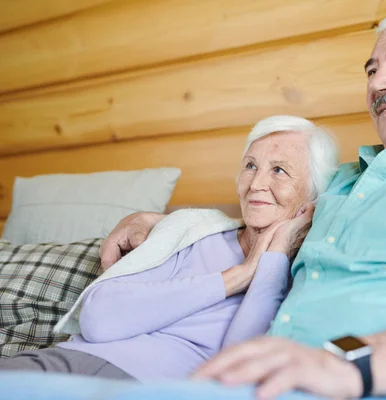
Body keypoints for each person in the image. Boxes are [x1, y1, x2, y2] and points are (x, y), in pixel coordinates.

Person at [84, 9, 386, 400]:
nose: (378, 82)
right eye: (372, 69)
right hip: (253, 384)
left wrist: (349, 362)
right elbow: (262, 213)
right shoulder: (343, 185)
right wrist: (161, 224)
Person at [0, 115, 340, 382]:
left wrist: (272, 259)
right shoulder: (195, 230)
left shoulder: (304, 270)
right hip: (62, 365)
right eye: (250, 165)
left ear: (311, 195)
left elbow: (239, 361)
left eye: (279, 170)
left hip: (146, 386)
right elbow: (98, 318)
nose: (256, 184)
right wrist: (237, 276)